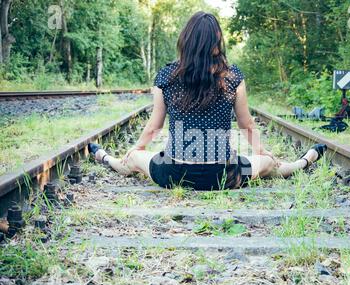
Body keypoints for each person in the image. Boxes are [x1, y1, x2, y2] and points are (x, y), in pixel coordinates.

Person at [88, 11, 327, 191]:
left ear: (186, 40)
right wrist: (262, 151)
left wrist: (138, 149)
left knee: (131, 159)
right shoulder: (232, 77)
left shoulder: (166, 76)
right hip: (222, 174)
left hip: (174, 173)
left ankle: (106, 158)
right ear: (217, 42)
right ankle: (303, 162)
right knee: (267, 164)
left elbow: (154, 126)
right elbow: (247, 125)